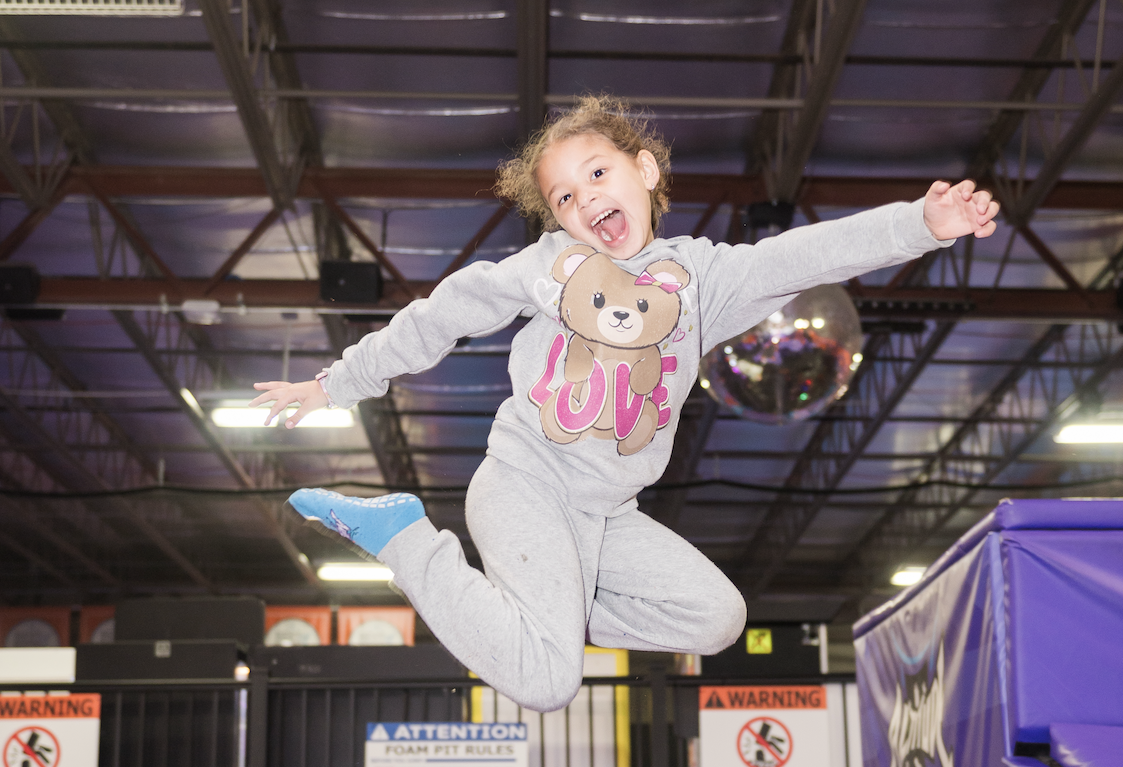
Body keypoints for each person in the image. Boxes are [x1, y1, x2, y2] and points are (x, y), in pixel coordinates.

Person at [250, 95, 999, 712]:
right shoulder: (551, 267)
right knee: (547, 681)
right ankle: (406, 540)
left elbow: (803, 256)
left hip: (607, 516)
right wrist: (336, 382)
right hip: (525, 484)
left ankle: (551, 599)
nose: (585, 200)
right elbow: (443, 313)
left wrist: (921, 226)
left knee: (717, 619)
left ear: (645, 170)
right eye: (564, 197)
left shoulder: (703, 279)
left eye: (598, 173)